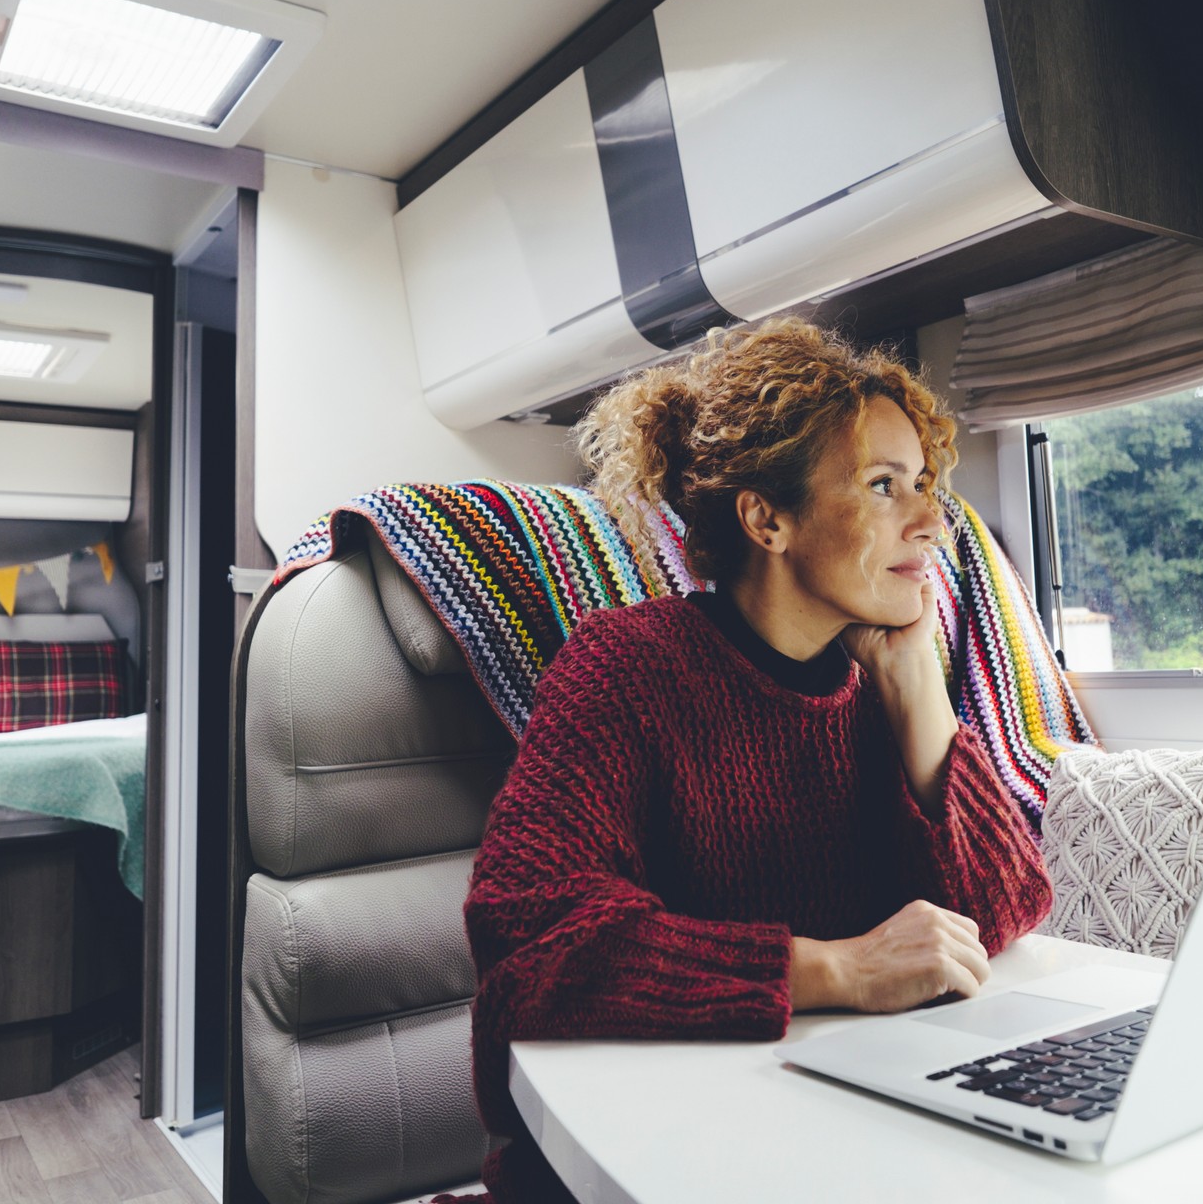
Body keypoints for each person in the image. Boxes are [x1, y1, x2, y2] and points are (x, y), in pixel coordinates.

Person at [445, 318, 1052, 1202]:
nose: (931, 518)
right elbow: (530, 950)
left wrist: (915, 679)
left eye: (923, 484)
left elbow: (1005, 909)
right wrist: (837, 968)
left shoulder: (881, 677)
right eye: (884, 487)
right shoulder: (624, 666)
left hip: (829, 1145)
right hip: (640, 1159)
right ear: (767, 519)